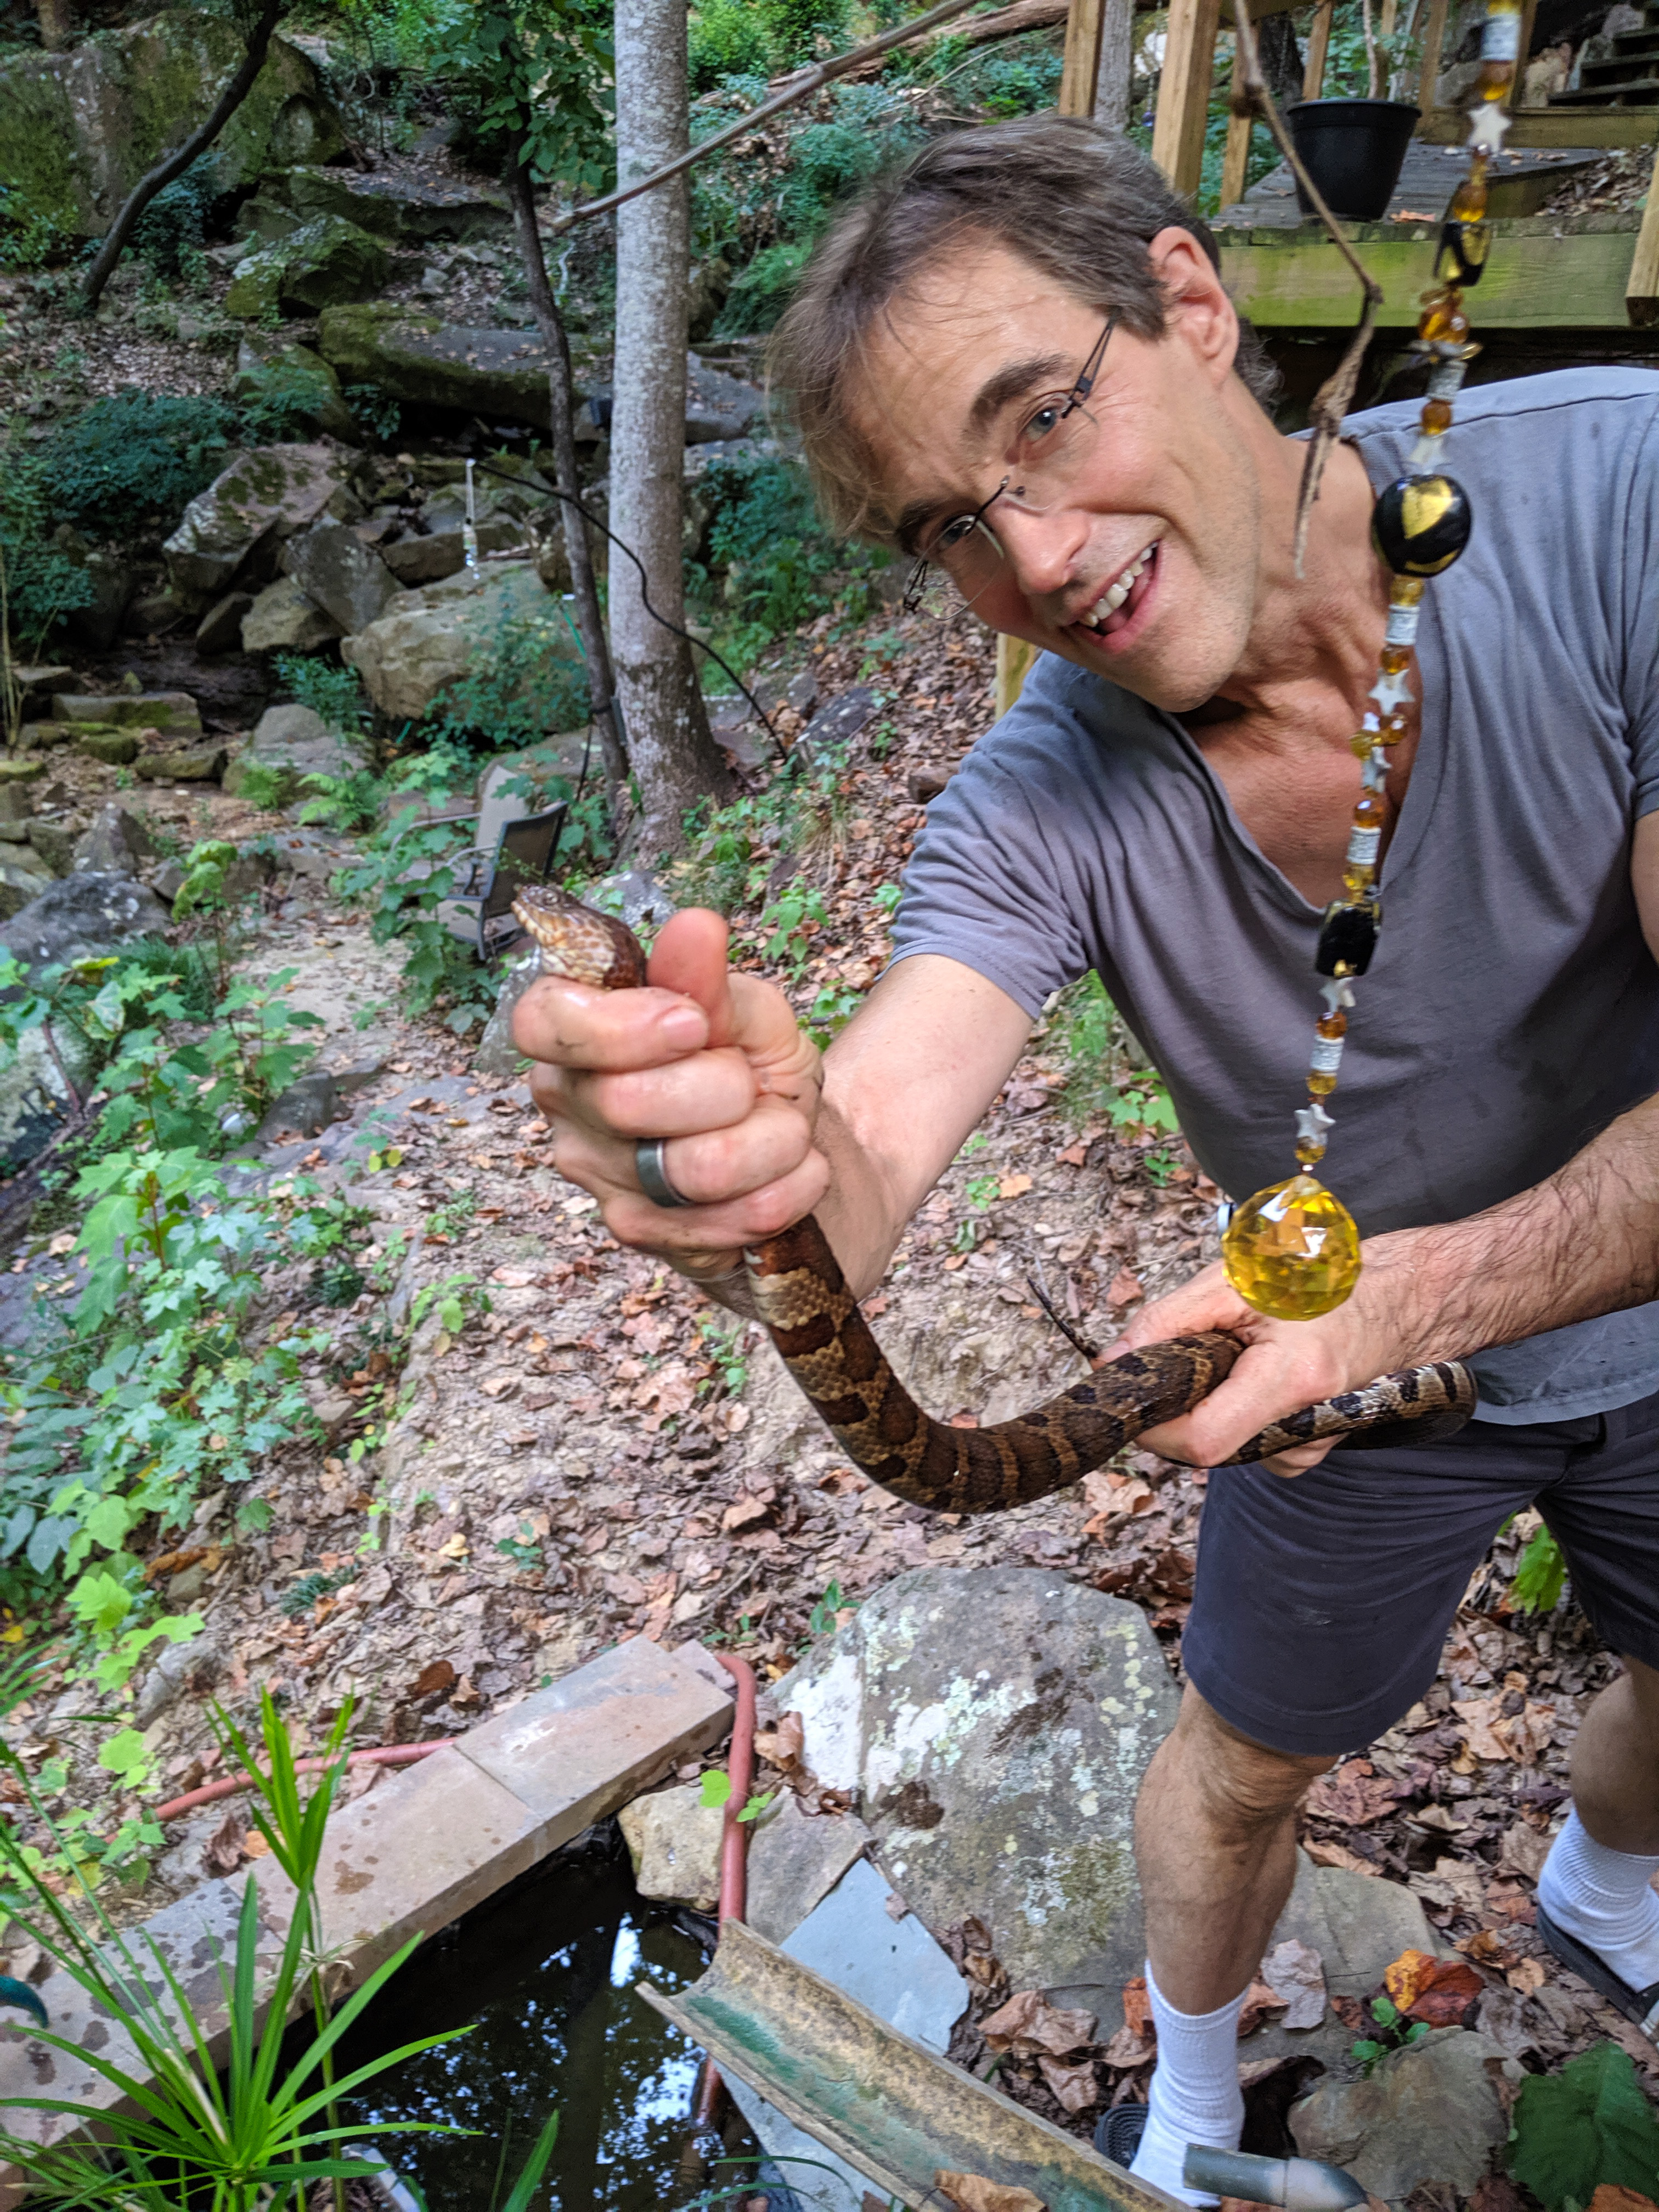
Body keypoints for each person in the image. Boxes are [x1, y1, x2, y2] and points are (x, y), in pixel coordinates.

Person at [515, 116, 1659, 2202]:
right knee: (1241, 1772)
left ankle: (1605, 1885)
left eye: (1042, 418)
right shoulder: (1038, 798)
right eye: (951, 527)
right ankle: (1194, 2110)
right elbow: (868, 1134)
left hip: (1492, 1322)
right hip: (1315, 1393)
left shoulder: (1621, 503)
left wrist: (1406, 1299)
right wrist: (748, 1177)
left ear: (1192, 303)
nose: (1034, 560)